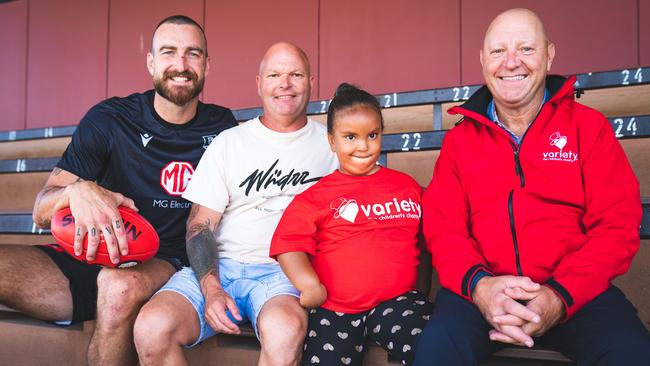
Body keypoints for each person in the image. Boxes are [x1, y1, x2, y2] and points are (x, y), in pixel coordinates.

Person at [413, 8, 650, 366]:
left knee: (633, 354)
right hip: (481, 293)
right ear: (482, 60)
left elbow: (617, 225)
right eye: (498, 51)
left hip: (575, 293)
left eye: (525, 49)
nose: (511, 62)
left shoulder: (589, 128)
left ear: (549, 54)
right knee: (435, 352)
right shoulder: (460, 142)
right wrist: (480, 287)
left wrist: (559, 295)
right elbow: (443, 228)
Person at [0, 15, 237, 366]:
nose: (181, 65)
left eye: (193, 54)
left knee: (118, 288)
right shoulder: (110, 118)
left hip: (162, 261)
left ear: (206, 64)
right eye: (169, 52)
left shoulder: (223, 127)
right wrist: (77, 190)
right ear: (151, 62)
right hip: (90, 251)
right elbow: (42, 209)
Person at [133, 42, 338, 366]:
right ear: (258, 84)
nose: (284, 84)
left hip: (284, 274)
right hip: (222, 267)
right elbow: (200, 225)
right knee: (151, 327)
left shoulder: (333, 144)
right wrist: (211, 286)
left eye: (295, 74)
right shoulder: (230, 142)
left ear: (311, 81)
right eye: (274, 74)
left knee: (285, 331)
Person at [269, 83, 433, 366]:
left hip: (397, 303)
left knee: (433, 343)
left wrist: (422, 288)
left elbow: (428, 239)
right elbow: (288, 244)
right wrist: (309, 285)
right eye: (350, 137)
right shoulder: (316, 196)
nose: (363, 146)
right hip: (335, 308)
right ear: (332, 141)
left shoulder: (406, 187)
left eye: (372, 135)